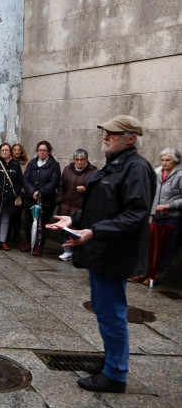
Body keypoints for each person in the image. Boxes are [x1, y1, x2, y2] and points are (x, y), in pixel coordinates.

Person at [46, 115, 154, 394]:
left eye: (113, 134)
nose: (105, 136)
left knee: (112, 312)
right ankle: (110, 361)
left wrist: (93, 232)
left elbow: (135, 214)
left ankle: (116, 374)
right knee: (103, 308)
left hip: (114, 252)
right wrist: (75, 221)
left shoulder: (136, 168)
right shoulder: (115, 165)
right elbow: (102, 210)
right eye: (105, 132)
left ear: (131, 138)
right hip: (100, 249)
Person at [130, 147, 182, 284]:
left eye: (168, 160)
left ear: (175, 161)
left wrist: (169, 205)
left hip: (172, 217)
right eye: (162, 160)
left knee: (167, 247)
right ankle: (144, 271)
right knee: (150, 245)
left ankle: (156, 273)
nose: (164, 163)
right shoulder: (158, 173)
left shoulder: (180, 175)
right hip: (155, 215)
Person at [20, 140, 61, 256]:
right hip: (30, 199)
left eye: (44, 150)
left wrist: (41, 193)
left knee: (42, 224)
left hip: (46, 201)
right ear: (37, 151)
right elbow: (25, 179)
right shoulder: (32, 163)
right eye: (40, 150)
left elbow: (54, 182)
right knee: (28, 222)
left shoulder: (54, 165)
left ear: (49, 152)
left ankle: (39, 246)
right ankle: (29, 242)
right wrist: (32, 192)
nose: (42, 152)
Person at [55, 149, 97, 261]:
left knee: (77, 231)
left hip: (80, 206)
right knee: (65, 230)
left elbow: (96, 190)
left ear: (86, 160)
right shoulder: (68, 169)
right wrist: (60, 199)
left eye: (82, 160)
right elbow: (61, 186)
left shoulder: (93, 172)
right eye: (76, 160)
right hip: (66, 204)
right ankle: (67, 252)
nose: (79, 162)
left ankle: (76, 254)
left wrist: (85, 189)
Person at [9, 143, 29, 244]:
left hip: (20, 193)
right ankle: (7, 235)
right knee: (8, 215)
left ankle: (16, 236)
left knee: (17, 216)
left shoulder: (25, 163)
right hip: (9, 192)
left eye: (18, 150)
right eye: (15, 150)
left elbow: (26, 178)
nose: (17, 152)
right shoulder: (8, 161)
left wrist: (21, 190)